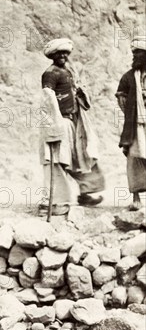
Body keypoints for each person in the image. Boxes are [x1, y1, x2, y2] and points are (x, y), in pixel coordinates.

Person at [39, 38, 105, 214]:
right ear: (52, 55)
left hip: (73, 122)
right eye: (59, 53)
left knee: (80, 157)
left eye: (65, 53)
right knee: (58, 160)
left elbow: (77, 95)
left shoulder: (68, 72)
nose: (63, 56)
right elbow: (48, 98)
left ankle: (86, 193)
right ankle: (54, 202)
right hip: (59, 122)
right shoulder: (50, 73)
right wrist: (54, 122)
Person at [115, 35, 146, 212]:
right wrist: (131, 111)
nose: (135, 57)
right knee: (134, 159)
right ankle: (136, 198)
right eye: (134, 54)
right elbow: (121, 96)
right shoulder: (128, 77)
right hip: (135, 126)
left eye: (139, 54)